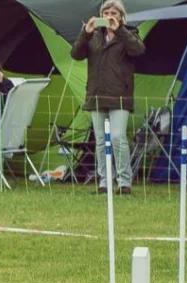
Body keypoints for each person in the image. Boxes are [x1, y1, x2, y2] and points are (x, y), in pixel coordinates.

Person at [71, 0, 145, 194]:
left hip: (120, 96)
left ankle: (124, 182)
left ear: (121, 16)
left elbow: (138, 50)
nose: (110, 15)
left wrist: (119, 30)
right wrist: (85, 32)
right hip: (96, 95)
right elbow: (75, 54)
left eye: (114, 12)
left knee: (118, 138)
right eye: (106, 12)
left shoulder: (130, 33)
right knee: (101, 141)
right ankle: (104, 182)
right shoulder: (93, 36)